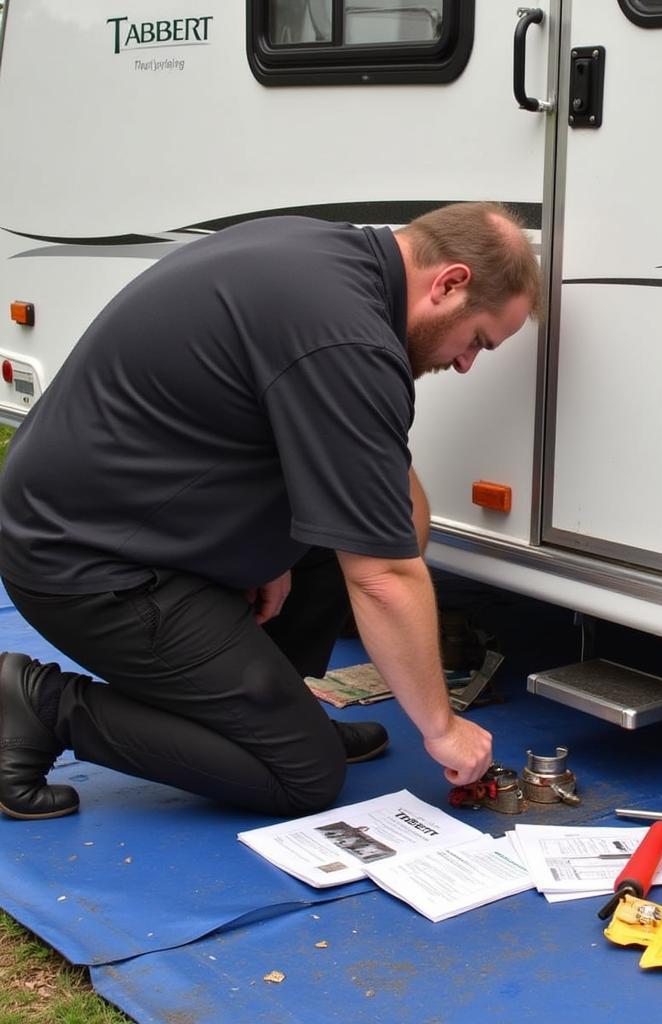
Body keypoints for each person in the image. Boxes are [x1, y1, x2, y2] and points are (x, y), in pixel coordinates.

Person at [0, 202, 540, 820]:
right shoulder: (346, 338)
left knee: (341, 537)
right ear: (449, 283)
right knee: (301, 775)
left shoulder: (329, 262)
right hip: (85, 563)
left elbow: (397, 518)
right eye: (477, 340)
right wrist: (442, 727)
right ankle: (39, 705)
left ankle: (269, 712)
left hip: (125, 515)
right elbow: (385, 573)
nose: (467, 363)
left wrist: (266, 544)